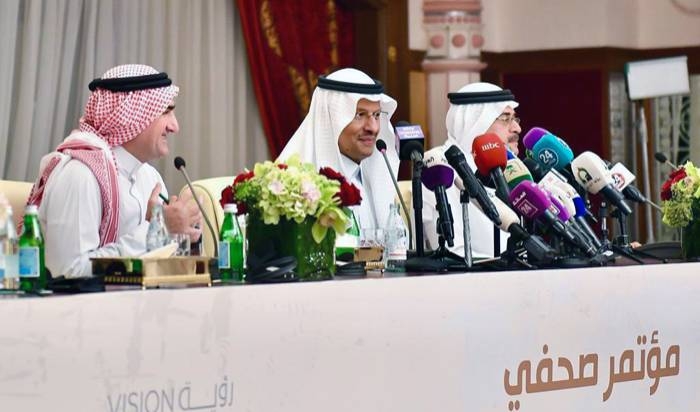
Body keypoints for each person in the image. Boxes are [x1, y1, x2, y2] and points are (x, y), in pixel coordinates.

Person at [26, 64, 202, 278]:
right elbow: (68, 272)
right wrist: (157, 229)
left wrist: (183, 235)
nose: (175, 127)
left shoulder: (149, 177)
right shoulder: (81, 175)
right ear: (132, 115)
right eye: (166, 112)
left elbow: (158, 265)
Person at [278, 68, 400, 232]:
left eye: (376, 115)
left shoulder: (373, 180)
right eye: (359, 115)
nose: (373, 127)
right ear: (331, 118)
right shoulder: (293, 185)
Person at [422, 82, 521, 258]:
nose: (516, 128)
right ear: (474, 122)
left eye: (515, 118)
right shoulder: (439, 169)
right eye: (506, 118)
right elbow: (453, 253)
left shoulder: (513, 168)